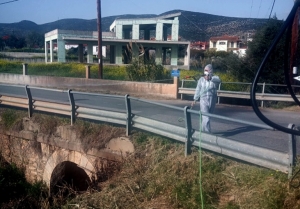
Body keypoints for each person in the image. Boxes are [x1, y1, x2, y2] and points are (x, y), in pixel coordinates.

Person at [191, 64, 221, 133]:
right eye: (205, 71)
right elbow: (198, 89)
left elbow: (219, 81)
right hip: (203, 100)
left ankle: (202, 131)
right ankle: (207, 133)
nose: (205, 72)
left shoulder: (214, 78)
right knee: (206, 117)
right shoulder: (201, 80)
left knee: (207, 117)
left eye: (207, 71)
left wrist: (210, 77)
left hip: (212, 100)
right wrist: (195, 100)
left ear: (210, 71)